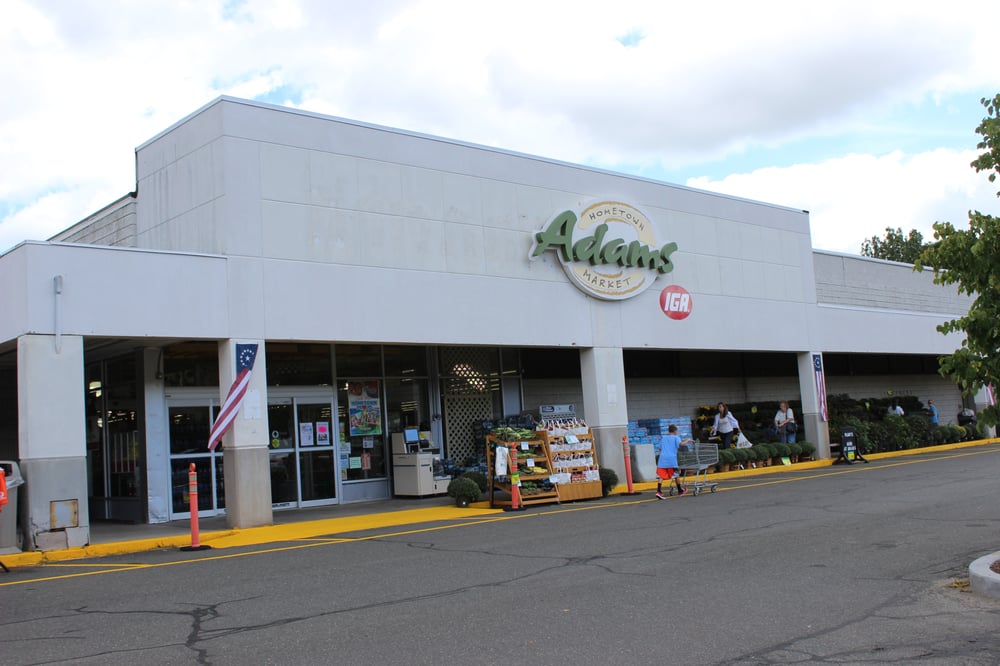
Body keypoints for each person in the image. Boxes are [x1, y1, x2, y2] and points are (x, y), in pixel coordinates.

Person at [655, 424, 692, 500]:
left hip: (662, 459)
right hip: (671, 459)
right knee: (676, 474)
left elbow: (659, 449)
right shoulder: (676, 437)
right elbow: (681, 444)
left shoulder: (664, 438)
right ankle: (680, 490)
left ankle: (659, 491)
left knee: (661, 475)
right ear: (675, 431)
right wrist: (687, 440)